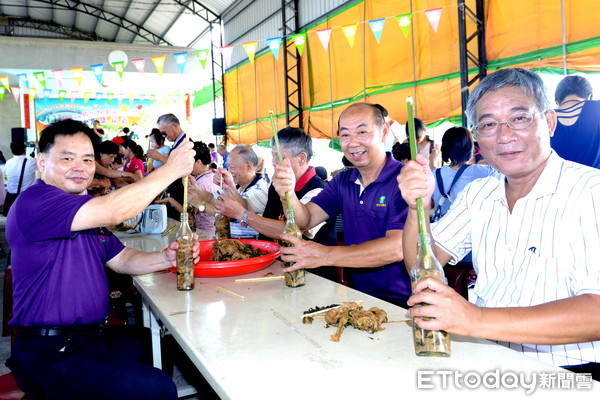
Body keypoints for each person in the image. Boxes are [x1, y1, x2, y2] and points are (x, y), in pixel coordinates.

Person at [397, 67, 600, 379]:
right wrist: (417, 208)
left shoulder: (590, 191)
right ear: (477, 137)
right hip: (486, 361)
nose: (504, 136)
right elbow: (421, 263)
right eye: (488, 124)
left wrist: (474, 319)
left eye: (519, 118)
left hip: (571, 374)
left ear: (549, 121)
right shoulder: (479, 193)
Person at [5, 118, 199, 399]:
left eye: (86, 159)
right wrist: (170, 170)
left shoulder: (82, 211)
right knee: (157, 388)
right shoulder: (36, 202)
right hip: (49, 350)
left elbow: (123, 259)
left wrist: (166, 257)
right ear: (42, 162)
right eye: (67, 157)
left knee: (159, 344)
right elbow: (113, 211)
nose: (79, 167)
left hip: (90, 338)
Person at [272, 103, 411, 307]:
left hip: (404, 302)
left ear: (384, 132)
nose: (353, 143)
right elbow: (305, 220)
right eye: (345, 135)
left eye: (362, 132)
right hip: (358, 299)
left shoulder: (405, 180)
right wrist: (287, 194)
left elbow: (397, 248)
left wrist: (323, 255)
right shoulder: (343, 181)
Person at [214, 128, 337, 279]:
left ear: (302, 158)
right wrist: (230, 186)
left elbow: (293, 230)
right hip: (274, 267)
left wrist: (243, 216)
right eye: (272, 156)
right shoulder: (275, 184)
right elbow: (247, 205)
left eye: (278, 156)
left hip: (310, 275)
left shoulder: (318, 190)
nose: (273, 162)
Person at [189, 144, 269, 239]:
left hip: (248, 244)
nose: (229, 171)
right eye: (228, 167)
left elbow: (231, 212)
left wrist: (199, 204)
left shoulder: (260, 188)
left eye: (232, 167)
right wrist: (194, 187)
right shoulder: (238, 186)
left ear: (248, 167)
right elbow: (212, 198)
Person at [430, 126, 495, 222]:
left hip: (442, 230)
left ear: (445, 149)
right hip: (471, 229)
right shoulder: (483, 172)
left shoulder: (434, 174)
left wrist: (432, 162)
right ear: (470, 149)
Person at [157, 142, 219, 237]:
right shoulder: (212, 176)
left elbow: (187, 213)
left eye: (189, 162)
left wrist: (170, 200)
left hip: (202, 233)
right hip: (213, 231)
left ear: (198, 162)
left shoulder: (200, 182)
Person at [550, 74, 600, 168]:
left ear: (557, 101)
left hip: (557, 181)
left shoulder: (544, 118)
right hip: (595, 180)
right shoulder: (597, 108)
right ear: (589, 96)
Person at [2, 141, 38, 217]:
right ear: (24, 150)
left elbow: (5, 174)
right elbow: (44, 160)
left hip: (12, 198)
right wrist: (38, 146)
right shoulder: (31, 162)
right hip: (28, 198)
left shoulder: (8, 163)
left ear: (12, 151)